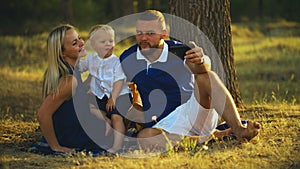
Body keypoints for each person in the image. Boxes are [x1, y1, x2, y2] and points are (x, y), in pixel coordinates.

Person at [119, 10, 260, 150]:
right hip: (163, 124)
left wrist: (202, 59)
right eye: (139, 33)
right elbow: (121, 91)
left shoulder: (178, 50)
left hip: (193, 110)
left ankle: (239, 129)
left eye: (150, 33)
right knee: (145, 138)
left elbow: (203, 68)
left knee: (208, 77)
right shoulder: (127, 58)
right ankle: (213, 137)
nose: (143, 38)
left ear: (163, 33)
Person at [31, 24, 109, 155]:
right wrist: (55, 147)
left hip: (77, 127)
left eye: (79, 38)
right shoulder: (68, 80)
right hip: (72, 136)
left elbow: (76, 99)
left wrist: (92, 78)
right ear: (62, 52)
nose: (82, 43)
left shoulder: (74, 70)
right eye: (74, 43)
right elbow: (42, 114)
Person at [78, 24, 130, 153]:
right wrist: (77, 56)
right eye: (103, 42)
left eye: (111, 41)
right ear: (94, 45)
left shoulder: (116, 61)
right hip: (100, 95)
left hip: (118, 95)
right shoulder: (91, 59)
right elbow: (80, 67)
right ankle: (105, 120)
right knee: (88, 106)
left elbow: (119, 81)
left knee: (116, 117)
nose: (108, 44)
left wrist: (113, 98)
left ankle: (117, 146)